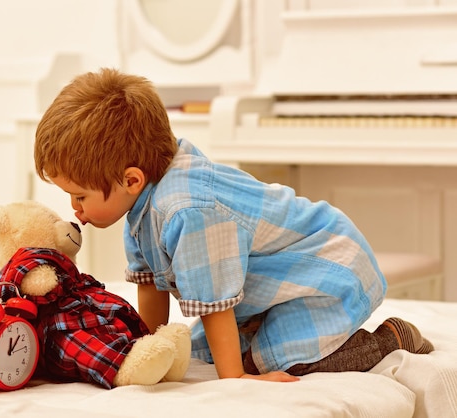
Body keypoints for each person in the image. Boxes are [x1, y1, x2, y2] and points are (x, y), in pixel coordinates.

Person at [34, 68, 434, 383]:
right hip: (268, 290)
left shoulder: (187, 210)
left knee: (274, 363)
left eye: (80, 196)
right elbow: (150, 284)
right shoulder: (141, 201)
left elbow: (215, 297)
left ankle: (390, 340)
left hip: (325, 269)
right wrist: (144, 351)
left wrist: (236, 379)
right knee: (197, 348)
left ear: (131, 179)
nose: (74, 209)